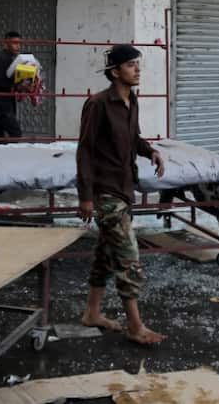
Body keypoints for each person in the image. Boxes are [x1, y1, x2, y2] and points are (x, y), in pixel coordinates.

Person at [77, 44, 166, 345]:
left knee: (106, 254)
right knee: (128, 258)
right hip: (105, 192)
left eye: (137, 64)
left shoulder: (132, 101)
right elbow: (85, 151)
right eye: (130, 65)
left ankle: (92, 313)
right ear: (115, 72)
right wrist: (85, 197)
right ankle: (135, 326)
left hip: (124, 187)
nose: (137, 70)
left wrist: (150, 151)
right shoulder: (98, 104)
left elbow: (133, 137)